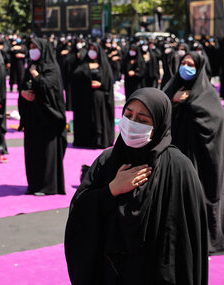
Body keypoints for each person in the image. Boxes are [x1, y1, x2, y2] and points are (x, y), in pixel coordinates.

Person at [65, 88, 208, 285]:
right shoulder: (107, 161)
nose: (132, 124)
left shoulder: (178, 169)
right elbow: (79, 213)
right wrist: (111, 190)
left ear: (158, 124)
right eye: (128, 115)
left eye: (142, 119)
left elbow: (184, 242)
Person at [163, 51, 224, 255]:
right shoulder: (172, 88)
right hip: (176, 153)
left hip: (199, 157)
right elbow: (158, 110)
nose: (186, 67)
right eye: (183, 63)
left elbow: (214, 123)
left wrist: (189, 104)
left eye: (191, 64)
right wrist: (173, 100)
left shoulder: (207, 94)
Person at [18, 38, 66, 195]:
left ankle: (47, 186)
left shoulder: (52, 68)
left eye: (35, 47)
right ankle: (34, 184)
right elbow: (24, 86)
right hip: (32, 117)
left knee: (46, 153)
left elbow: (50, 89)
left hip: (47, 118)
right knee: (32, 153)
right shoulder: (30, 67)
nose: (32, 50)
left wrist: (36, 75)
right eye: (30, 47)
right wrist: (23, 94)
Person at [70, 42, 115, 148]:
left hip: (100, 99)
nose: (91, 51)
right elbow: (76, 76)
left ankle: (99, 140)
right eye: (90, 49)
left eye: (94, 49)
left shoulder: (104, 64)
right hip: (86, 98)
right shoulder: (84, 64)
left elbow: (108, 80)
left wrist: (101, 84)